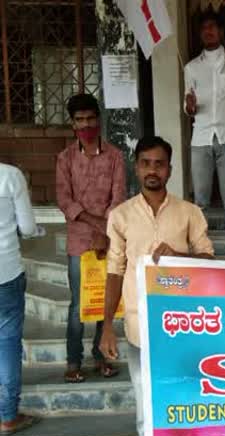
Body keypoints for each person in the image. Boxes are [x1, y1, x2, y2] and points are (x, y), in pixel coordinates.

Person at [99, 136, 215, 436]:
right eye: (146, 163)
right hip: (139, 331)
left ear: (170, 168)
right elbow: (114, 271)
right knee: (146, 413)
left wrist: (179, 256)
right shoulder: (120, 216)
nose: (153, 170)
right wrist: (105, 326)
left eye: (159, 163)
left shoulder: (189, 213)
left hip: (183, 333)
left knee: (185, 406)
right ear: (136, 167)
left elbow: (209, 263)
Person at [56, 93, 125, 383]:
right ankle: (73, 361)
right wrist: (96, 226)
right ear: (73, 124)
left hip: (109, 240)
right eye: (79, 120)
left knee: (102, 300)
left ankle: (100, 358)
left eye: (90, 119)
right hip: (79, 243)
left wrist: (105, 232)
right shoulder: (65, 158)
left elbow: (119, 197)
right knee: (77, 304)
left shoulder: (115, 156)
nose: (85, 125)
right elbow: (64, 199)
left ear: (99, 120)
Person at [184, 9, 225, 261]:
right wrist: (189, 104)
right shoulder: (190, 68)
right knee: (200, 200)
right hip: (200, 140)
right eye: (204, 28)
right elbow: (189, 110)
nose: (208, 31)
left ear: (220, 32)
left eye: (213, 27)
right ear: (201, 34)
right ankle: (202, 247)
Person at [0, 163, 44, 435]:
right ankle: (7, 416)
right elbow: (27, 227)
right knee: (7, 344)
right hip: (6, 272)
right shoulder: (10, 175)